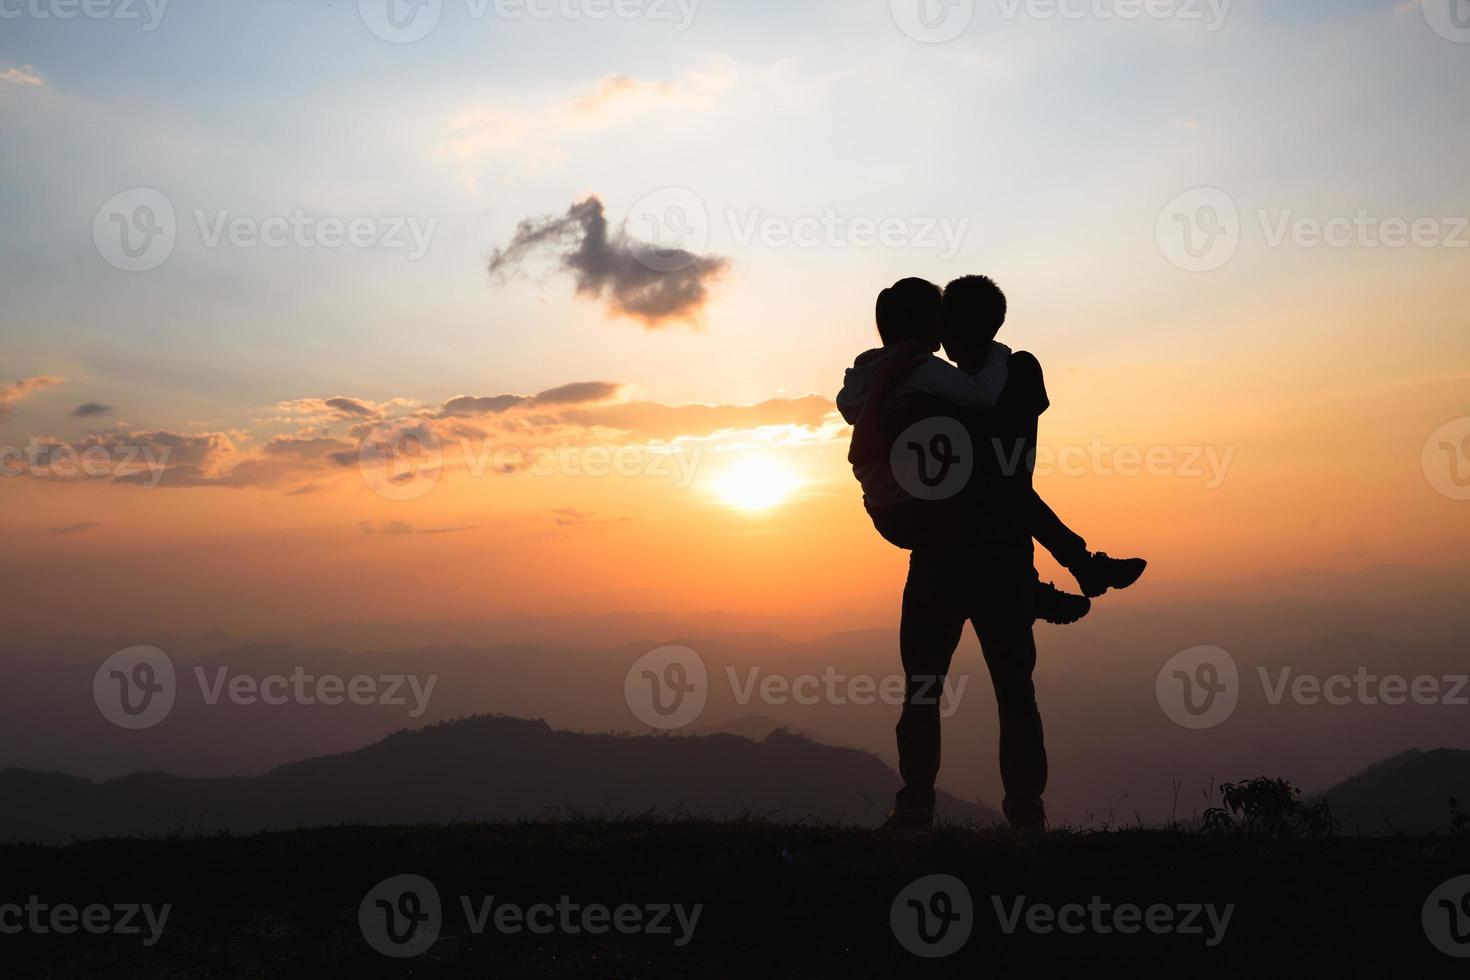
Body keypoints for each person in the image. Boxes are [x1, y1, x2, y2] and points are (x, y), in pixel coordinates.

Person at [835, 275, 1146, 832]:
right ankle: (1024, 813)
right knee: (1012, 691)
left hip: (939, 556)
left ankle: (917, 807)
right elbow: (1012, 473)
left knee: (928, 688)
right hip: (997, 556)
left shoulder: (924, 385)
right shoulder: (1005, 376)